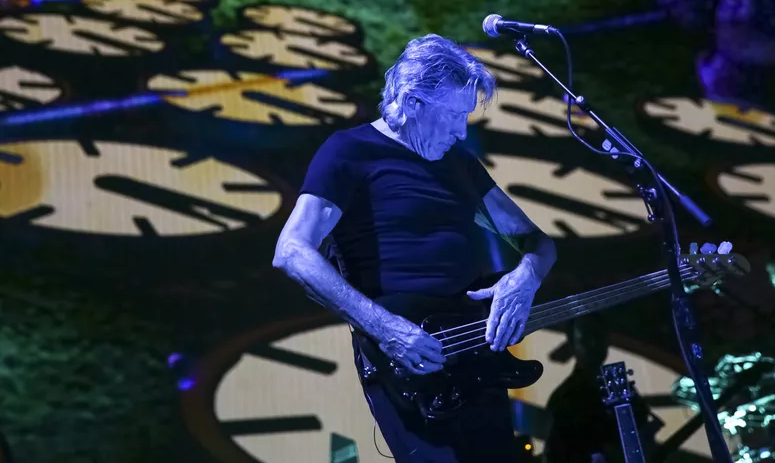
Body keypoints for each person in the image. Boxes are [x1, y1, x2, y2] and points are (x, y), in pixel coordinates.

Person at [272, 33, 557, 462]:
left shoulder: (459, 163)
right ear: (413, 102)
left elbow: (537, 242)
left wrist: (525, 277)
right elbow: (292, 251)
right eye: (453, 116)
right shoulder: (351, 151)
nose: (462, 131)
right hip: (408, 362)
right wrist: (386, 329)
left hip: (475, 355)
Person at [543, 315, 656, 463]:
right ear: (571, 344)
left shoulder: (621, 387)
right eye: (586, 338)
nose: (594, 343)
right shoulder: (564, 398)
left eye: (598, 336)